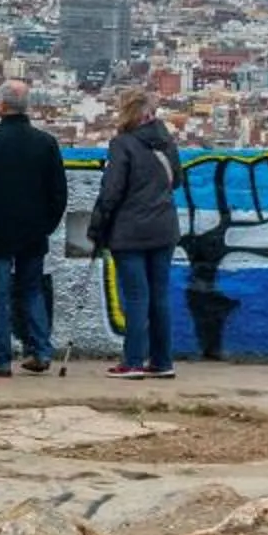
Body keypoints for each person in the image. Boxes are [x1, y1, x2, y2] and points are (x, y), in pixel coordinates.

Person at [0, 80, 68, 377]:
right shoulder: (46, 143)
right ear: (28, 107)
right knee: (32, 290)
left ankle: (0, 359)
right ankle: (41, 351)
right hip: (34, 230)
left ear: (1, 107)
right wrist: (46, 225)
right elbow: (58, 194)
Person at [88, 86, 184, 379]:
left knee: (136, 296)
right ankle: (161, 361)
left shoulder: (123, 144)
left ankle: (131, 361)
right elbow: (176, 180)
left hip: (130, 231)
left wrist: (97, 226)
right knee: (159, 296)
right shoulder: (166, 142)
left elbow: (111, 191)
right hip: (164, 228)